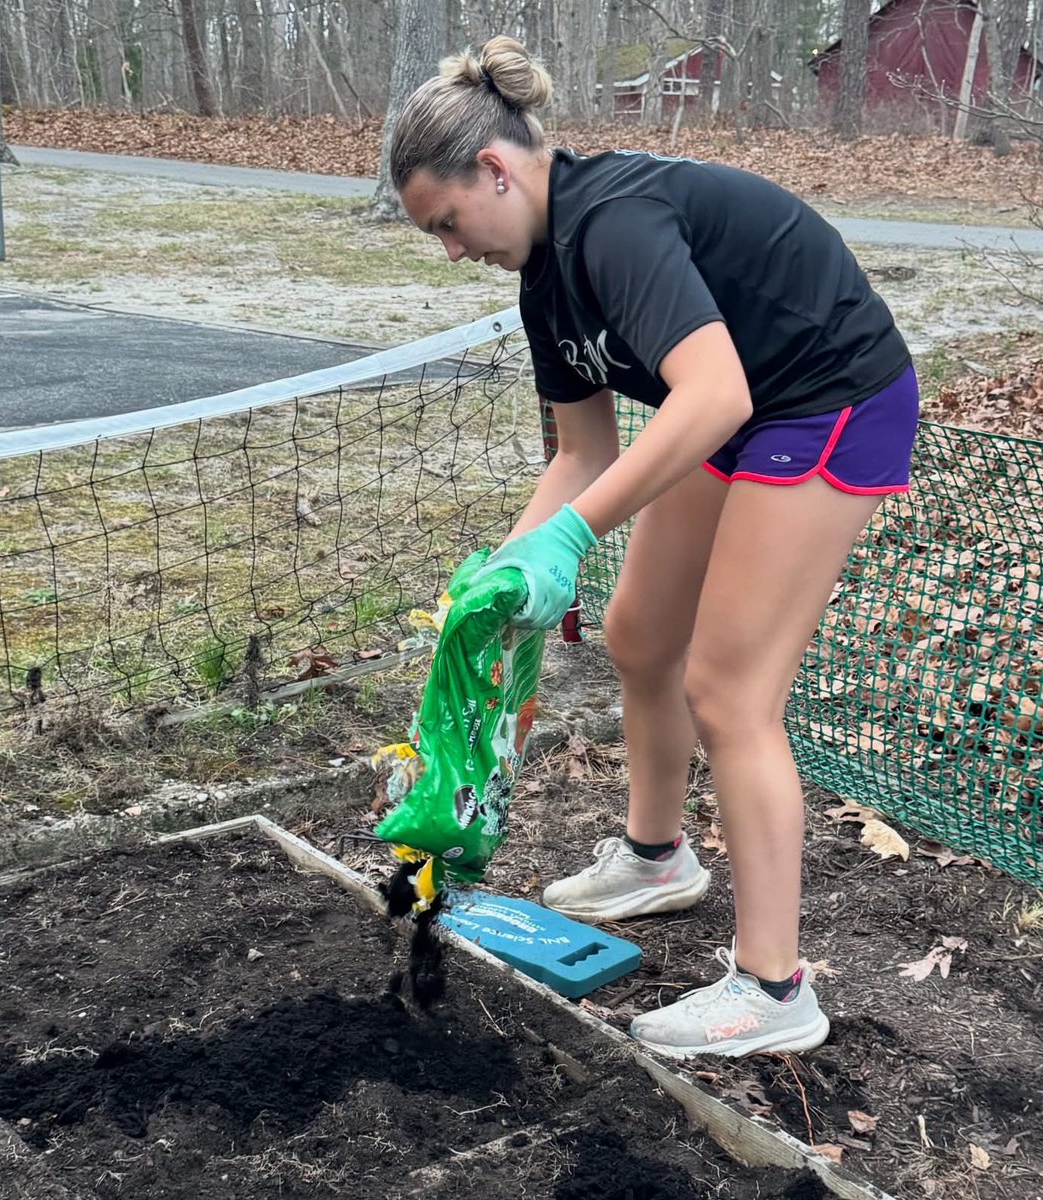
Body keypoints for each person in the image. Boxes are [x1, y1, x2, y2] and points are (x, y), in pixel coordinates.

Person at [391, 36, 919, 1059]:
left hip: (826, 397)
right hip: (740, 406)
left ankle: (772, 990)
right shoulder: (542, 280)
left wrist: (571, 537)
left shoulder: (613, 224)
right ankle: (654, 857)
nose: (451, 248)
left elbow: (710, 394)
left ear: (495, 171)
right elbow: (583, 451)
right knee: (638, 634)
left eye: (448, 223)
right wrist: (500, 574)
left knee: (728, 691)